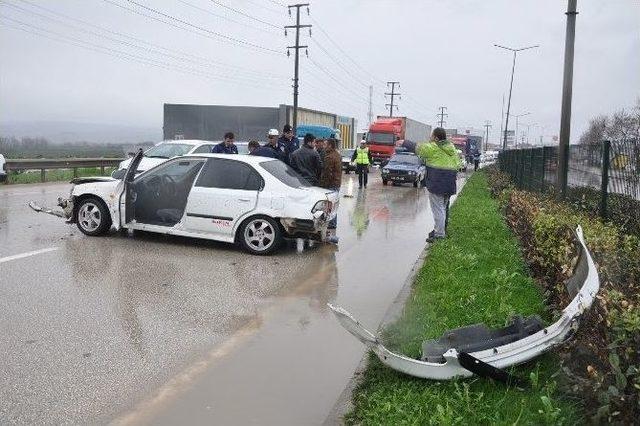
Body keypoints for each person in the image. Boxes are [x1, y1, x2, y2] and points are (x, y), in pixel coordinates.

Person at [417, 127, 459, 243]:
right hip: (449, 184)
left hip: (438, 184)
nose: (430, 138)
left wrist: (404, 142)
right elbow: (458, 164)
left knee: (438, 209)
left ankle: (439, 234)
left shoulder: (434, 147)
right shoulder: (451, 148)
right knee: (443, 208)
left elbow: (420, 148)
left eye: (431, 136)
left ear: (436, 138)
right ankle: (439, 230)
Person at [319, 138, 342, 243]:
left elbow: (327, 174)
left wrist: (322, 186)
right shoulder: (337, 155)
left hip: (331, 185)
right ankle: (333, 225)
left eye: (325, 144)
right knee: (334, 206)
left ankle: (331, 228)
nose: (324, 146)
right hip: (336, 184)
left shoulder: (329, 157)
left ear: (330, 146)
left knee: (329, 207)